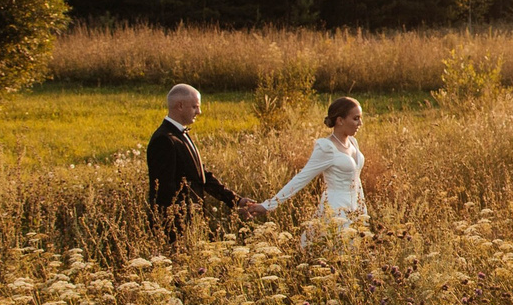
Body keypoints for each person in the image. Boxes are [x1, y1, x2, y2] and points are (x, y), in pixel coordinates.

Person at [146, 83, 262, 240]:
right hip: (176, 228)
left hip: (192, 223)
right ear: (180, 106)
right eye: (194, 107)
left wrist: (236, 200)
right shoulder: (164, 140)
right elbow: (164, 191)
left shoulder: (179, 134)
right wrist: (174, 232)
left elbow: (202, 176)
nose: (199, 112)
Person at [263, 95, 368, 243]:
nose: (360, 123)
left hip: (356, 207)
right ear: (340, 120)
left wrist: (362, 210)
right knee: (334, 249)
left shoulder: (353, 143)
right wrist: (268, 205)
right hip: (336, 209)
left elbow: (356, 179)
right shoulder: (326, 147)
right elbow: (301, 178)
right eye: (356, 118)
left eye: (360, 118)